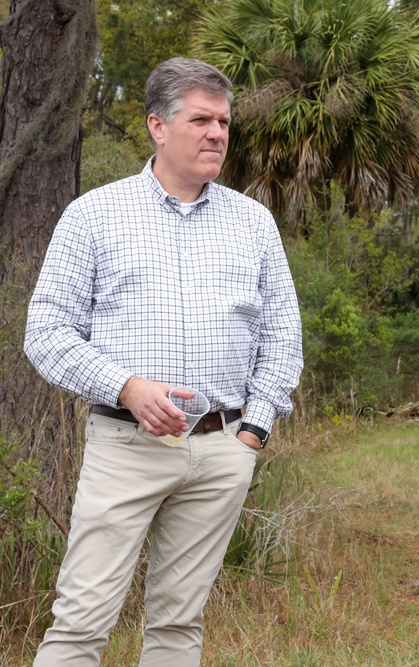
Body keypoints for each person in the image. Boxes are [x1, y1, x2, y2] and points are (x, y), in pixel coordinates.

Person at [24, 57, 303, 666]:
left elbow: (282, 333)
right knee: (80, 623)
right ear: (157, 125)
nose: (217, 134)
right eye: (201, 119)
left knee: (179, 625)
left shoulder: (252, 223)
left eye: (224, 122)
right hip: (125, 450)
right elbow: (45, 331)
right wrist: (125, 386)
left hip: (222, 451)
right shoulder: (94, 216)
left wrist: (254, 429)